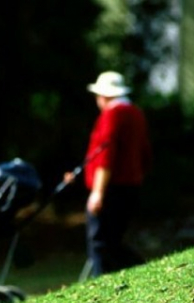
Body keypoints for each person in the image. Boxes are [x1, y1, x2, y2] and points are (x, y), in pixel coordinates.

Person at [67, 71, 152, 277]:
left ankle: (102, 284)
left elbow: (105, 156)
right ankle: (140, 272)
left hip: (111, 187)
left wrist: (98, 192)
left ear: (104, 96)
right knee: (113, 241)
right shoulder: (135, 113)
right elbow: (145, 152)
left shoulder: (112, 115)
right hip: (130, 186)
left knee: (100, 242)